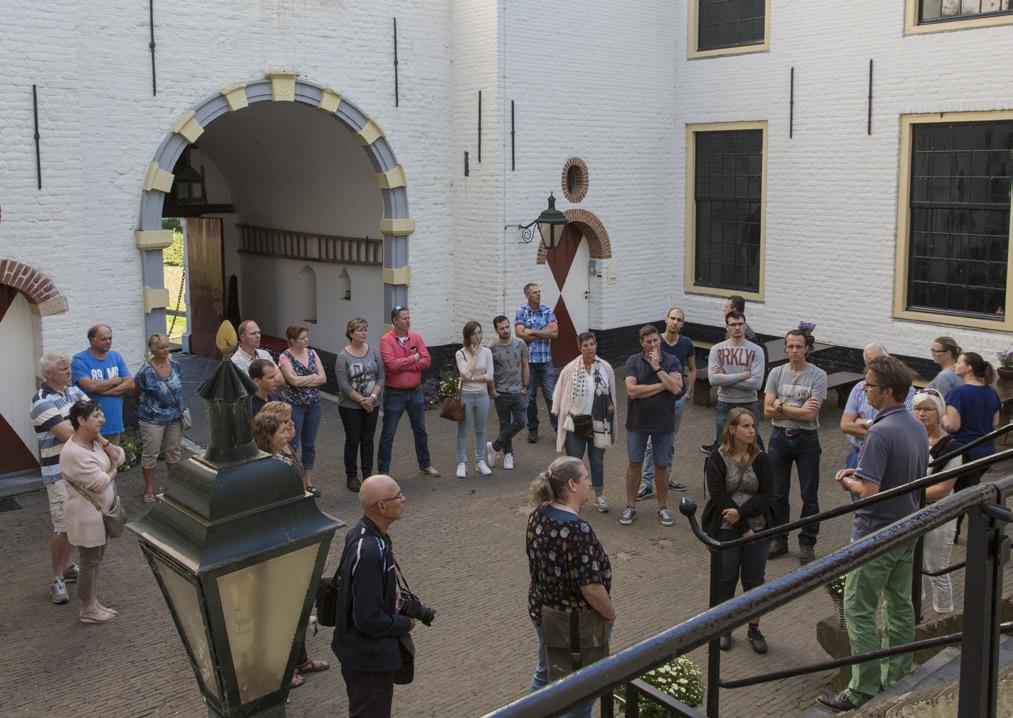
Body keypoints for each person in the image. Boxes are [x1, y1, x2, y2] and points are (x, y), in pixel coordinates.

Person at [817, 356, 928, 712]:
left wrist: (847, 478)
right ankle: (896, 673)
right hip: (907, 526)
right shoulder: (915, 427)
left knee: (859, 609)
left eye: (870, 385)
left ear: (889, 391)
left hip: (876, 533)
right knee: (899, 603)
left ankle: (860, 689)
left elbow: (869, 491)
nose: (865, 390)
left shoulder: (880, 431)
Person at [526, 456, 615, 718]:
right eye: (586, 478)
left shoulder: (538, 515)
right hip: (574, 626)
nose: (590, 482)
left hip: (543, 612)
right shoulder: (578, 529)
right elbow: (591, 588)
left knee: (546, 673)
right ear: (573, 485)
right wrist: (610, 614)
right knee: (581, 689)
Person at [251, 404, 330, 689]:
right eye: (283, 425)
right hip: (280, 538)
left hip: (298, 531)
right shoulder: (263, 464)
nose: (290, 426)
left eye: (289, 422)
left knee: (299, 601)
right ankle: (283, 668)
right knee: (282, 606)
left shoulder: (287, 451)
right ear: (268, 433)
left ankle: (301, 659)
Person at [333, 474, 416, 718]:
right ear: (381, 506)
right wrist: (405, 623)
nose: (404, 499)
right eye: (398, 495)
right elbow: (367, 618)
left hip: (362, 654)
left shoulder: (361, 533)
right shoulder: (369, 552)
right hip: (367, 660)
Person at [704, 408, 774, 654]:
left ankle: (754, 628)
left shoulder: (762, 459)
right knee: (725, 579)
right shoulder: (716, 459)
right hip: (726, 529)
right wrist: (742, 528)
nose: (751, 431)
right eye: (745, 426)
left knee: (755, 580)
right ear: (732, 429)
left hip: (758, 529)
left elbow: (767, 494)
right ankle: (725, 626)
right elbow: (719, 497)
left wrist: (743, 515)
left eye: (753, 426)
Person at [764, 329, 828, 565]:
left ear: (807, 349)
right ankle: (779, 539)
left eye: (798, 347)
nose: (794, 351)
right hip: (779, 438)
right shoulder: (776, 373)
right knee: (777, 493)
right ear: (785, 349)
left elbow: (811, 415)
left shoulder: (818, 375)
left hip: (807, 440)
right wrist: (795, 410)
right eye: (790, 347)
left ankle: (807, 542)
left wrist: (781, 405)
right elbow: (766, 409)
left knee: (808, 494)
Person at [60, 400, 125, 624]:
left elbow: (120, 456)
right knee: (89, 561)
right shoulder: (74, 452)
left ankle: (93, 601)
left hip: (100, 514)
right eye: (96, 416)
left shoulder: (93, 442)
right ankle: (87, 608)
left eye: (101, 414)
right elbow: (99, 483)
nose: (102, 419)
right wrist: (114, 469)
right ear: (80, 420)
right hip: (87, 517)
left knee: (96, 559)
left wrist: (103, 440)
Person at [31, 352, 88, 605]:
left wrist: (86, 425)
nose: (69, 372)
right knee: (62, 527)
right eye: (63, 369)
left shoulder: (75, 392)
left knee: (74, 524)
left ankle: (67, 566)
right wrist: (84, 425)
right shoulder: (41, 402)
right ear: (49, 374)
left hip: (79, 471)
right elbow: (67, 434)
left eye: (68, 368)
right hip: (58, 474)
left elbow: (97, 418)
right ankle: (57, 578)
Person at [620, 325, 684, 527]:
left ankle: (662, 507)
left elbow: (675, 389)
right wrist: (662, 385)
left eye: (656, 340)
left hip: (663, 422)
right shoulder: (633, 361)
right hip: (637, 421)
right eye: (649, 341)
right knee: (634, 463)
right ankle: (631, 506)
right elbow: (632, 391)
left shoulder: (672, 361)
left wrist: (657, 368)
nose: (653, 344)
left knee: (661, 466)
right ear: (642, 343)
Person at [551, 332, 617, 512]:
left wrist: (611, 413)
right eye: (585, 345)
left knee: (597, 459)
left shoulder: (606, 368)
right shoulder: (570, 369)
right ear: (579, 348)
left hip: (599, 422)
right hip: (576, 422)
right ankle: (568, 498)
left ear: (596, 345)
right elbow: (560, 390)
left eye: (592, 344)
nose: (589, 348)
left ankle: (600, 496)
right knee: (572, 463)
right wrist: (557, 409)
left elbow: (611, 394)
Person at [913, 389, 963, 615]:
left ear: (939, 411)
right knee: (912, 566)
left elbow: (944, 488)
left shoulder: (952, 447)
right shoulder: (910, 439)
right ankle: (914, 612)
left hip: (938, 513)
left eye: (927, 409)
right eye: (917, 408)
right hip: (911, 510)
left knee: (936, 567)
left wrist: (906, 495)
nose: (922, 414)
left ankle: (943, 617)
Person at [637, 307, 694, 499]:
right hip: (656, 402)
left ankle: (665, 477)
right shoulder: (654, 341)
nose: (675, 322)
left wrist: (688, 394)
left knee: (669, 442)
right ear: (666, 320)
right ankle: (646, 483)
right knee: (651, 443)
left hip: (676, 401)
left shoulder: (686, 343)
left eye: (679, 320)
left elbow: (692, 369)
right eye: (672, 318)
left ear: (682, 324)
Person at [377, 305, 440, 477]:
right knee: (388, 433)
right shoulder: (386, 340)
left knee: (420, 429)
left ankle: (425, 464)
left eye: (408, 317)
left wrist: (405, 365)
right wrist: (413, 359)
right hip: (394, 393)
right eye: (404, 318)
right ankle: (383, 471)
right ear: (395, 321)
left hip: (415, 392)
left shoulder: (416, 337)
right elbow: (391, 365)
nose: (408, 321)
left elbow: (426, 360)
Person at [840, 343, 916, 470]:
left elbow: (899, 433)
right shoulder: (859, 388)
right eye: (872, 364)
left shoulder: (907, 390)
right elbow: (845, 425)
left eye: (881, 362)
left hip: (887, 455)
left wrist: (861, 422)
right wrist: (875, 430)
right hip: (858, 452)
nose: (877, 368)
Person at [702, 311, 764, 454]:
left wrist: (725, 377)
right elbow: (713, 379)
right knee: (724, 447)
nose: (737, 328)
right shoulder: (717, 350)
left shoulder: (756, 350)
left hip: (749, 403)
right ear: (726, 327)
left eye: (740, 324)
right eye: (733, 324)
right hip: (725, 404)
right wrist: (741, 376)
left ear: (745, 325)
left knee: (750, 448)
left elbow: (756, 384)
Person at [133, 333, 184, 503]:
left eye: (167, 346)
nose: (166, 350)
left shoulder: (176, 365)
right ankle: (149, 488)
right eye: (162, 348)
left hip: (174, 418)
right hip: (152, 419)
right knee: (151, 453)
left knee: (174, 451)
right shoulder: (145, 371)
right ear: (153, 350)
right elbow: (136, 392)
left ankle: (175, 485)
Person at [335, 318, 384, 493]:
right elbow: (344, 385)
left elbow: (380, 377)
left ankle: (368, 475)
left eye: (365, 329)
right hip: (350, 406)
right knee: (353, 439)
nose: (364, 333)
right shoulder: (343, 356)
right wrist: (362, 401)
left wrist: (372, 397)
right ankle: (352, 477)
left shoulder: (374, 351)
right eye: (360, 330)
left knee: (368, 439)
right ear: (351, 333)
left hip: (372, 403)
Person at [278, 324, 326, 496]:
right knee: (292, 443)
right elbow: (292, 381)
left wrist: (305, 379)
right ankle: (292, 480)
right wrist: (313, 377)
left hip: (314, 404)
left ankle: (308, 481)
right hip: (295, 405)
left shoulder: (312, 353)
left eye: (306, 337)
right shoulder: (285, 357)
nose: (306, 340)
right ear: (292, 341)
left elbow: (323, 378)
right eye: (302, 338)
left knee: (310, 443)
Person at [72, 324, 134, 444]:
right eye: (104, 339)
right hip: (90, 427)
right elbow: (90, 386)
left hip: (114, 423)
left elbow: (130, 383)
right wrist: (114, 381)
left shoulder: (115, 356)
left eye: (110, 338)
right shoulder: (80, 360)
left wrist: (104, 391)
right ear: (91, 340)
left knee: (113, 461)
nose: (108, 342)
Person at [515, 283, 559, 443]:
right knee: (530, 398)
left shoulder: (547, 311)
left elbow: (554, 334)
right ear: (527, 295)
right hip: (528, 363)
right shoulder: (521, 312)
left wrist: (532, 331)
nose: (538, 294)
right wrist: (543, 333)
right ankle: (532, 429)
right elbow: (519, 334)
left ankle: (558, 429)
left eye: (539, 291)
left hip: (545, 360)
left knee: (551, 396)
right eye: (534, 292)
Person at [486, 314, 529, 471]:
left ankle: (495, 446)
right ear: (496, 330)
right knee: (504, 424)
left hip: (519, 391)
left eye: (507, 326)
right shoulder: (491, 348)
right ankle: (508, 455)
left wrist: (525, 386)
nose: (505, 330)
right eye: (501, 328)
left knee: (521, 422)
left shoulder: (521, 344)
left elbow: (525, 365)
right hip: (501, 393)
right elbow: (489, 372)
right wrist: (493, 391)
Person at [454, 321, 494, 478]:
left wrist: (473, 377)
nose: (478, 337)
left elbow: (490, 376)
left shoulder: (487, 352)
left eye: (479, 332)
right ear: (467, 336)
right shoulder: (460, 353)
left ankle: (480, 461)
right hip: (466, 396)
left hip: (482, 396)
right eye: (474, 334)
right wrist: (475, 356)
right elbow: (464, 374)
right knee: (463, 431)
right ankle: (462, 462)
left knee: (481, 430)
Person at [253, 401, 315, 496]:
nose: (292, 423)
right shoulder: (273, 465)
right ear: (269, 436)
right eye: (283, 430)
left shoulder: (283, 447)